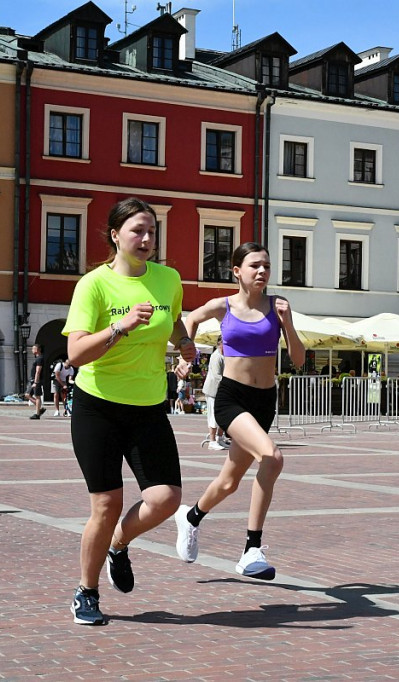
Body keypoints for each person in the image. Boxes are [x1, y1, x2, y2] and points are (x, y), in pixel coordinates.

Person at [62, 197, 196, 625]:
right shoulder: (93, 285)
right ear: (115, 235)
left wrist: (184, 342)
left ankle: (118, 543)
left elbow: (173, 320)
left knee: (166, 498)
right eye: (137, 231)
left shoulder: (168, 279)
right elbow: (75, 354)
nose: (146, 239)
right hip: (97, 406)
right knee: (105, 504)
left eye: (152, 231)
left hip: (148, 406)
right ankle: (86, 591)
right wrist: (120, 326)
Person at [176, 242, 304, 581]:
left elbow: (300, 358)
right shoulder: (223, 306)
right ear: (237, 271)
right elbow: (189, 320)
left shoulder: (276, 308)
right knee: (272, 458)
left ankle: (190, 517)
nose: (262, 271)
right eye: (254, 266)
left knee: (229, 481)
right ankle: (252, 549)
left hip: (264, 401)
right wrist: (185, 356)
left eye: (267, 266)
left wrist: (288, 323)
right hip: (232, 398)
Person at [202, 337, 230, 451]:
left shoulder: (224, 355)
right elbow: (216, 375)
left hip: (222, 391)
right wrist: (230, 382)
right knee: (213, 416)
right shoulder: (216, 356)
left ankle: (219, 438)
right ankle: (212, 441)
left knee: (223, 416)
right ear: (220, 344)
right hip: (213, 391)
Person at [27, 344, 45, 420]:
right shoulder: (37, 358)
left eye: (33, 349)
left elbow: (38, 371)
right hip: (32, 380)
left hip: (36, 381)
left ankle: (37, 414)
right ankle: (40, 408)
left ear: (38, 349)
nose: (32, 350)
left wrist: (36, 382)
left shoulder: (40, 358)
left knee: (37, 396)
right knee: (27, 394)